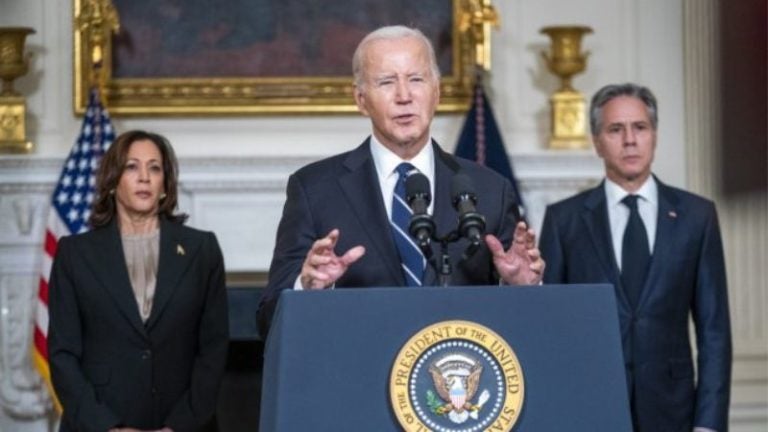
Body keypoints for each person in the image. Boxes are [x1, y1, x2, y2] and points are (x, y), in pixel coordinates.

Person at [257, 25, 544, 335]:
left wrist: (521, 286)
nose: (404, 96)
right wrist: (307, 289)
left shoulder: (490, 189)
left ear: (437, 92)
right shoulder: (314, 189)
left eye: (416, 79)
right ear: (360, 99)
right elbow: (269, 318)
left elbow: (522, 325)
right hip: (358, 373)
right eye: (386, 82)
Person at [539, 83, 731, 432]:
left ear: (654, 135)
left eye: (640, 128)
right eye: (615, 129)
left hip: (674, 414)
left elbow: (714, 332)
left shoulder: (696, 217)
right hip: (590, 412)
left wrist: (709, 424)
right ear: (597, 140)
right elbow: (551, 331)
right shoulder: (563, 221)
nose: (630, 140)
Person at [48, 130, 229, 432]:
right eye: (132, 166)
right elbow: (62, 355)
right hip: (99, 423)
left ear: (164, 184)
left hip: (184, 423)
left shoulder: (202, 249)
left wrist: (178, 426)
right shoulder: (74, 254)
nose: (144, 176)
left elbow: (213, 349)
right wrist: (108, 427)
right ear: (112, 180)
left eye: (154, 167)